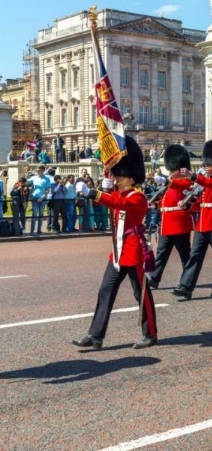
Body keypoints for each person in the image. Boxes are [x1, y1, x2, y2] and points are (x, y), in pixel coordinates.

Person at [71, 136, 157, 350]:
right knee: (105, 291)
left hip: (134, 250)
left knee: (141, 294)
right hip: (118, 251)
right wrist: (105, 188)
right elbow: (115, 199)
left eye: (121, 176)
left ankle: (150, 333)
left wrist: (95, 193)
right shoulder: (119, 193)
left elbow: (119, 203)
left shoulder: (138, 197)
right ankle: (95, 335)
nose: (117, 179)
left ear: (131, 178)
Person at [172, 140, 212, 300]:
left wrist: (193, 176)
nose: (206, 165)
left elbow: (208, 183)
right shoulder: (207, 180)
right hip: (203, 222)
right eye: (206, 162)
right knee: (195, 255)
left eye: (210, 162)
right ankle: (186, 286)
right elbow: (200, 200)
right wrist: (187, 205)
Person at [147, 144, 194, 289]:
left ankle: (187, 282)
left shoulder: (185, 181)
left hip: (179, 223)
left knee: (185, 254)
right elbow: (167, 198)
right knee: (161, 252)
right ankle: (155, 278)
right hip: (167, 222)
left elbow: (180, 188)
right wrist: (157, 205)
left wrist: (168, 181)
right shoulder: (171, 182)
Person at [28, 165, 51, 235]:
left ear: (43, 170)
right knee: (34, 214)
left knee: (41, 215)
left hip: (42, 199)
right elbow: (26, 182)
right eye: (37, 170)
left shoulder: (47, 179)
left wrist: (42, 197)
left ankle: (39, 230)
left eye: (39, 170)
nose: (37, 171)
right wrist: (26, 175)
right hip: (34, 198)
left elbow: (47, 190)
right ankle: (32, 231)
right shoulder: (34, 178)